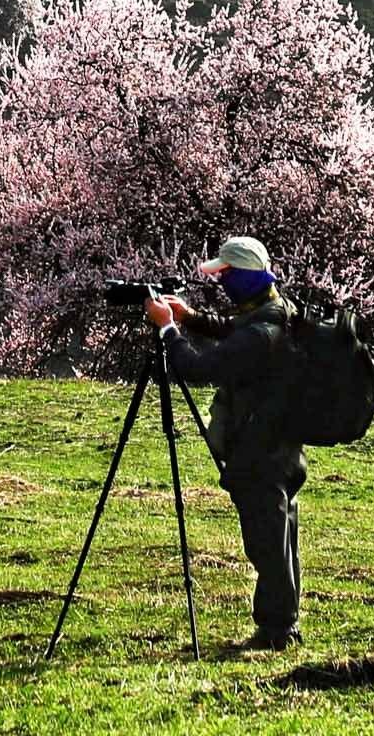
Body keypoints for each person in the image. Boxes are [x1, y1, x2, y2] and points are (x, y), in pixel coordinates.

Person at [146, 234, 304, 653]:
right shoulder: (277, 310)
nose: (222, 282)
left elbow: (197, 367)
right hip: (283, 446)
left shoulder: (261, 333)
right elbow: (234, 330)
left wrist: (167, 331)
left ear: (247, 278)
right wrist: (189, 317)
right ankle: (283, 623)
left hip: (259, 450)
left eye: (228, 275)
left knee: (266, 542)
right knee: (281, 536)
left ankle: (276, 631)